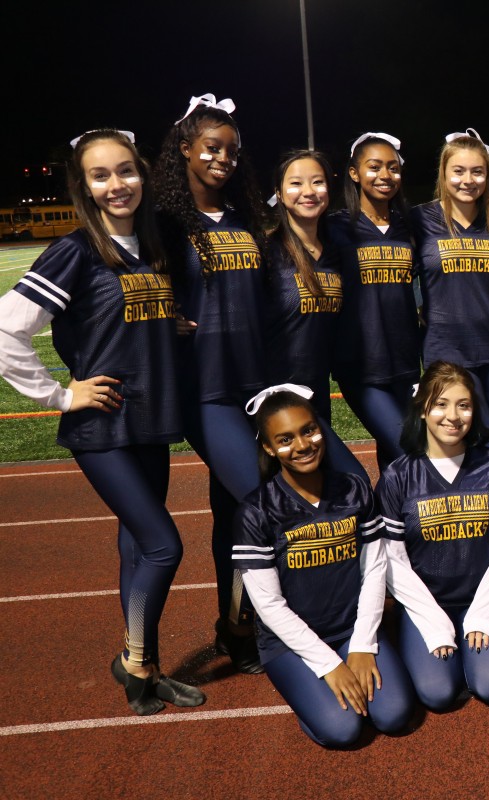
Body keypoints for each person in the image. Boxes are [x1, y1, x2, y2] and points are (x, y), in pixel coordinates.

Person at [0, 129, 204, 715]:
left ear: (142, 173)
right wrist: (61, 396)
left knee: (136, 550)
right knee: (164, 547)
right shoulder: (76, 250)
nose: (117, 185)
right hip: (103, 425)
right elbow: (9, 330)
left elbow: (127, 314)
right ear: (84, 186)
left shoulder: (152, 244)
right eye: (101, 175)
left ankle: (147, 669)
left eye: (125, 171)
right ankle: (133, 660)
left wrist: (169, 324)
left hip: (151, 417)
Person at [154, 93, 272, 672]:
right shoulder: (166, 224)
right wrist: (161, 314)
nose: (223, 158)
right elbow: (126, 285)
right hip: (207, 390)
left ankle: (238, 627)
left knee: (232, 513)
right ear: (185, 151)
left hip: (256, 384)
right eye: (210, 148)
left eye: (231, 149)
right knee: (262, 500)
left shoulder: (247, 217)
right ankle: (249, 625)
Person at [232, 386, 413, 747]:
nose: (301, 445)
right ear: (268, 448)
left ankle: (336, 682)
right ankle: (310, 703)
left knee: (394, 716)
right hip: (290, 645)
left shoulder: (354, 490)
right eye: (285, 439)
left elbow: (375, 570)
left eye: (308, 430)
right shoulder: (256, 511)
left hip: (351, 630)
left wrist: (362, 645)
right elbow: (268, 606)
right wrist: (328, 665)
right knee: (342, 730)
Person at [376, 362, 489, 709]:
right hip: (426, 604)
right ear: (423, 409)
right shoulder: (397, 477)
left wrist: (485, 614)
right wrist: (431, 623)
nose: (453, 416)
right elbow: (393, 562)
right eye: (441, 404)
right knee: (438, 694)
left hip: (485, 598)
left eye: (464, 405)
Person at [263, 149, 366, 480]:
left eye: (317, 182)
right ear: (279, 193)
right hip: (274, 401)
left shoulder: (337, 251)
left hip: (316, 399)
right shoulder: (265, 250)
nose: (308, 191)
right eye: (296, 183)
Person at [409, 128, 489, 450]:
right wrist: (421, 309)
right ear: (444, 172)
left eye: (477, 171)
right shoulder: (421, 219)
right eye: (459, 171)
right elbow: (404, 274)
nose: (468, 180)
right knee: (486, 440)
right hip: (446, 349)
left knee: (479, 443)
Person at [327, 132, 421, 469]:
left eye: (393, 168)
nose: (385, 175)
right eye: (375, 167)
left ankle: (391, 521)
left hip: (407, 362)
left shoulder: (409, 225)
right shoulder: (335, 227)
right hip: (361, 365)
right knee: (410, 452)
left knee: (393, 461)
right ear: (354, 173)